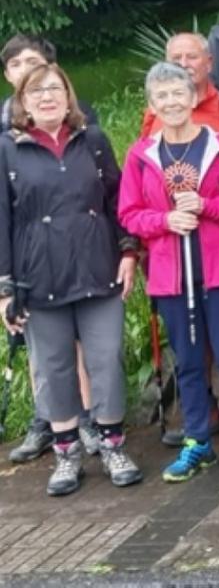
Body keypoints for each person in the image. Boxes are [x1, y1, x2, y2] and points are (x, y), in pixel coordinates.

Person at [118, 62, 219, 483]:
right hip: (171, 275)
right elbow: (129, 214)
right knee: (188, 361)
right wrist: (165, 221)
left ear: (192, 97)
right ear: (152, 104)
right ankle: (197, 440)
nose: (171, 102)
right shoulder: (141, 155)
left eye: (177, 93)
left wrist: (207, 207)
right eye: (162, 96)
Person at [0, 64, 142, 496]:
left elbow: (118, 198)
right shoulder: (7, 149)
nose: (47, 98)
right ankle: (66, 456)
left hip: (98, 269)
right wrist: (5, 287)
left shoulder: (93, 141)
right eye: (36, 91)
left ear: (69, 96)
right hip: (38, 277)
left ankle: (113, 445)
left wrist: (129, 251)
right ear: (22, 101)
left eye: (55, 89)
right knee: (53, 367)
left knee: (106, 358)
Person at [0, 36, 101, 464]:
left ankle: (88, 419)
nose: (28, 70)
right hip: (25, 254)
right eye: (18, 64)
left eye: (36, 62)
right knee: (34, 343)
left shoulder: (79, 117)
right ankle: (47, 420)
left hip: (74, 250)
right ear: (8, 75)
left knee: (75, 341)